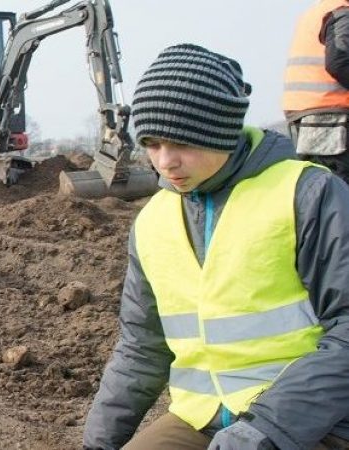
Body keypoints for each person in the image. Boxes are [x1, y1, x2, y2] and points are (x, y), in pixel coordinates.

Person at [82, 44, 349, 450]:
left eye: (181, 143)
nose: (165, 162)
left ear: (220, 131)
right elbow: (141, 349)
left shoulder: (307, 193)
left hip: (311, 420)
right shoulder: (153, 221)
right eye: (152, 143)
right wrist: (97, 443)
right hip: (201, 418)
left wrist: (264, 430)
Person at [283, 0, 349, 184]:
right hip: (330, 119)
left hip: (309, 119)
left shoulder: (319, 11)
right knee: (338, 188)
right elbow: (339, 61)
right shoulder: (342, 12)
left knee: (322, 187)